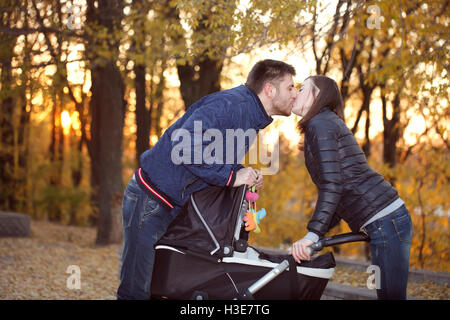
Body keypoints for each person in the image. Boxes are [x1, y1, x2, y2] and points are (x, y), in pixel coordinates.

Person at [117, 59, 297, 299]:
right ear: (270, 90)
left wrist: (245, 174)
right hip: (149, 200)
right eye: (291, 87)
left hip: (170, 204)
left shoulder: (248, 115)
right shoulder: (231, 105)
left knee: (156, 288)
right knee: (135, 291)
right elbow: (184, 147)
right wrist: (232, 176)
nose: (295, 94)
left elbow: (214, 153)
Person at [288, 75, 412, 300]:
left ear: (317, 95)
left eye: (302, 88)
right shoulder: (322, 123)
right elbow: (339, 192)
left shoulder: (320, 124)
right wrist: (314, 238)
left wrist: (312, 234)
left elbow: (332, 186)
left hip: (386, 220)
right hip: (386, 221)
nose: (295, 92)